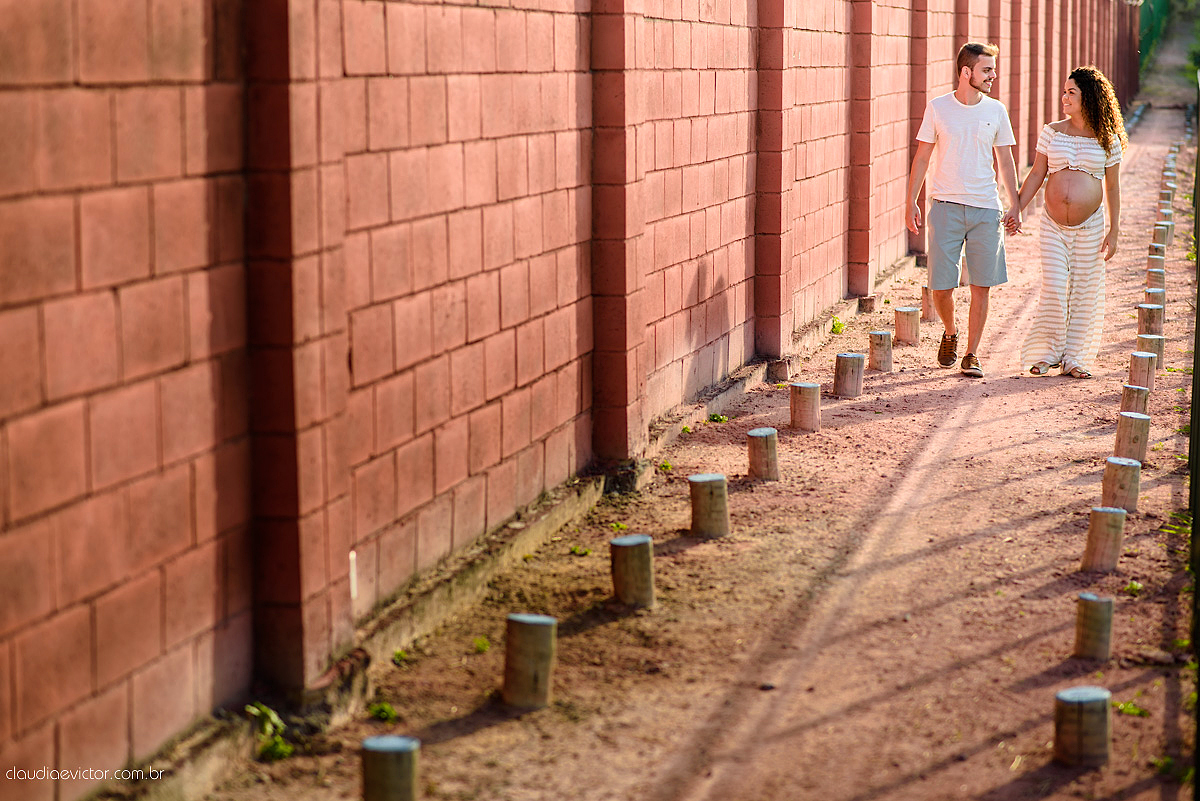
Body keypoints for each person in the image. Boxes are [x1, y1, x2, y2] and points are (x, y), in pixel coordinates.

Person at [906, 42, 1021, 378]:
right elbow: (923, 156)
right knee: (941, 286)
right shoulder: (938, 108)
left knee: (981, 284)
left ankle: (972, 353)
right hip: (945, 206)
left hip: (986, 208)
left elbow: (1006, 160)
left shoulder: (996, 110)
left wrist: (1014, 204)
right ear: (966, 72)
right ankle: (950, 332)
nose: (993, 75)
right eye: (987, 70)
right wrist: (911, 199)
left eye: (993, 69)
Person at [1014, 66, 1125, 379]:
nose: (1064, 98)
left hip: (1090, 226)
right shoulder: (1053, 131)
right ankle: (1046, 354)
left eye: (1071, 93)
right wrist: (1017, 208)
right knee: (1055, 285)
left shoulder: (1108, 139)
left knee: (1082, 290)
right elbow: (1037, 173)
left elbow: (1113, 187)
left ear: (1087, 97)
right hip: (1052, 225)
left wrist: (1114, 231)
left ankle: (1075, 357)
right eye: (1064, 92)